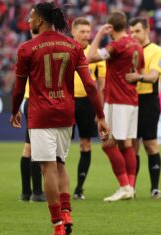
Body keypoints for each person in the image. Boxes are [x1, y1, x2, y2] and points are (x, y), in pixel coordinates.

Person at [10, 2, 108, 235]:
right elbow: (90, 86)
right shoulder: (73, 46)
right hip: (66, 113)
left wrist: (14, 110)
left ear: (41, 20)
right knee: (60, 164)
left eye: (31, 17)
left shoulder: (27, 48)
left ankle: (57, 224)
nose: (28, 21)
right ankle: (67, 212)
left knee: (48, 169)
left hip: (41, 114)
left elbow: (18, 87)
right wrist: (101, 116)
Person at [87, 10, 144, 202]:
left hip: (117, 100)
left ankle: (124, 186)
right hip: (132, 100)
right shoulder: (137, 45)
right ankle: (130, 187)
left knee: (107, 143)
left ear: (111, 28)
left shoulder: (117, 45)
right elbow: (139, 71)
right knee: (126, 144)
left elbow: (91, 56)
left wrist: (99, 34)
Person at [125, 17, 161, 199]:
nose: (133, 35)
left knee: (150, 144)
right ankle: (131, 187)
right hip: (129, 100)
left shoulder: (156, 51)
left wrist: (138, 77)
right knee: (132, 145)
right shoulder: (128, 49)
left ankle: (155, 188)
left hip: (148, 100)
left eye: (137, 31)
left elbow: (153, 76)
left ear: (147, 30)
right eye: (131, 31)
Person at [71, 17, 106, 200]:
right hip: (66, 101)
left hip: (86, 103)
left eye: (88, 31)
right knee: (59, 146)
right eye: (82, 31)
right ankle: (57, 187)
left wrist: (99, 111)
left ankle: (78, 188)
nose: (86, 35)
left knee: (85, 144)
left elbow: (101, 86)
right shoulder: (65, 50)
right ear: (73, 32)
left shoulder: (97, 55)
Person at [20, 82, 46, 202]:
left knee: (28, 147)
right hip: (39, 102)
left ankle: (26, 192)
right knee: (36, 147)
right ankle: (37, 192)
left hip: (28, 100)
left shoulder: (26, 62)